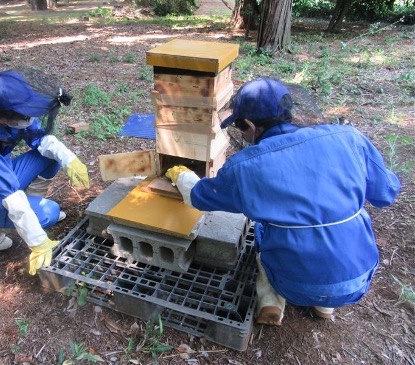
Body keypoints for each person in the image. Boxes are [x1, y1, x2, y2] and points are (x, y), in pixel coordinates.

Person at [166, 77, 401, 325]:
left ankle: (270, 302)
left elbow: (199, 197)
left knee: (264, 227)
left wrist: (182, 175)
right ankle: (325, 307)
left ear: (248, 124)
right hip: (359, 276)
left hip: (293, 283)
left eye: (239, 127)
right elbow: (387, 193)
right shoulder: (350, 138)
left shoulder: (245, 167)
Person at [0, 68, 90, 275]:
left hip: (0, 175)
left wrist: (69, 159)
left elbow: (39, 138)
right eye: (24, 116)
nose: (28, 120)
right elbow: (8, 191)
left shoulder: (6, 106)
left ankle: (31, 206)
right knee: (49, 213)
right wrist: (38, 242)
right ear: (1, 117)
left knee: (50, 156)